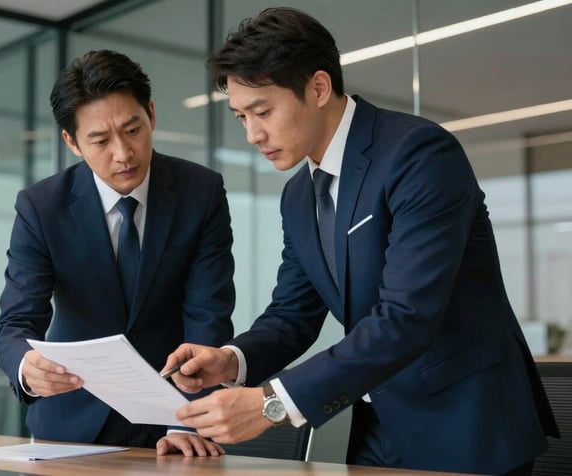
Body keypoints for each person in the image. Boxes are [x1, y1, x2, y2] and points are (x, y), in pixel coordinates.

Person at [162, 7, 559, 474]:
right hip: (378, 426)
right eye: (240, 117)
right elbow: (293, 313)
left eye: (262, 112)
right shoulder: (298, 194)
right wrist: (231, 360)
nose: (252, 134)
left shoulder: (418, 154)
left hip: (466, 425)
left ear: (318, 88)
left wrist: (272, 403)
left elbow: (406, 316)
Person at [0, 49, 235, 456]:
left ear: (151, 115)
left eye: (133, 130)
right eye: (100, 141)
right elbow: (16, 321)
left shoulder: (201, 192)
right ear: (72, 142)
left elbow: (208, 314)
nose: (123, 154)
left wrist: (187, 416)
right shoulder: (42, 207)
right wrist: (26, 367)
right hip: (69, 422)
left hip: (173, 421)